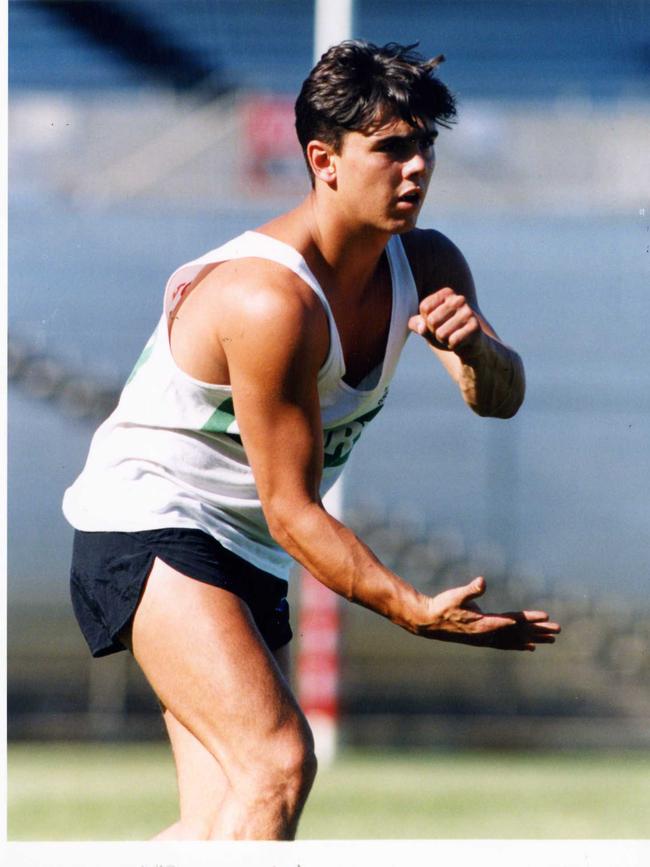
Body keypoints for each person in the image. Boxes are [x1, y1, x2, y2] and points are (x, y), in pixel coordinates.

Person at [62, 40, 560, 841]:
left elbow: (499, 400)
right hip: (150, 525)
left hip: (243, 549)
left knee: (224, 820)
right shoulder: (268, 299)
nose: (418, 168)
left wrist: (477, 350)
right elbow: (293, 509)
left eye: (426, 145)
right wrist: (411, 609)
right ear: (324, 160)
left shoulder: (427, 262)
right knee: (278, 761)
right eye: (392, 148)